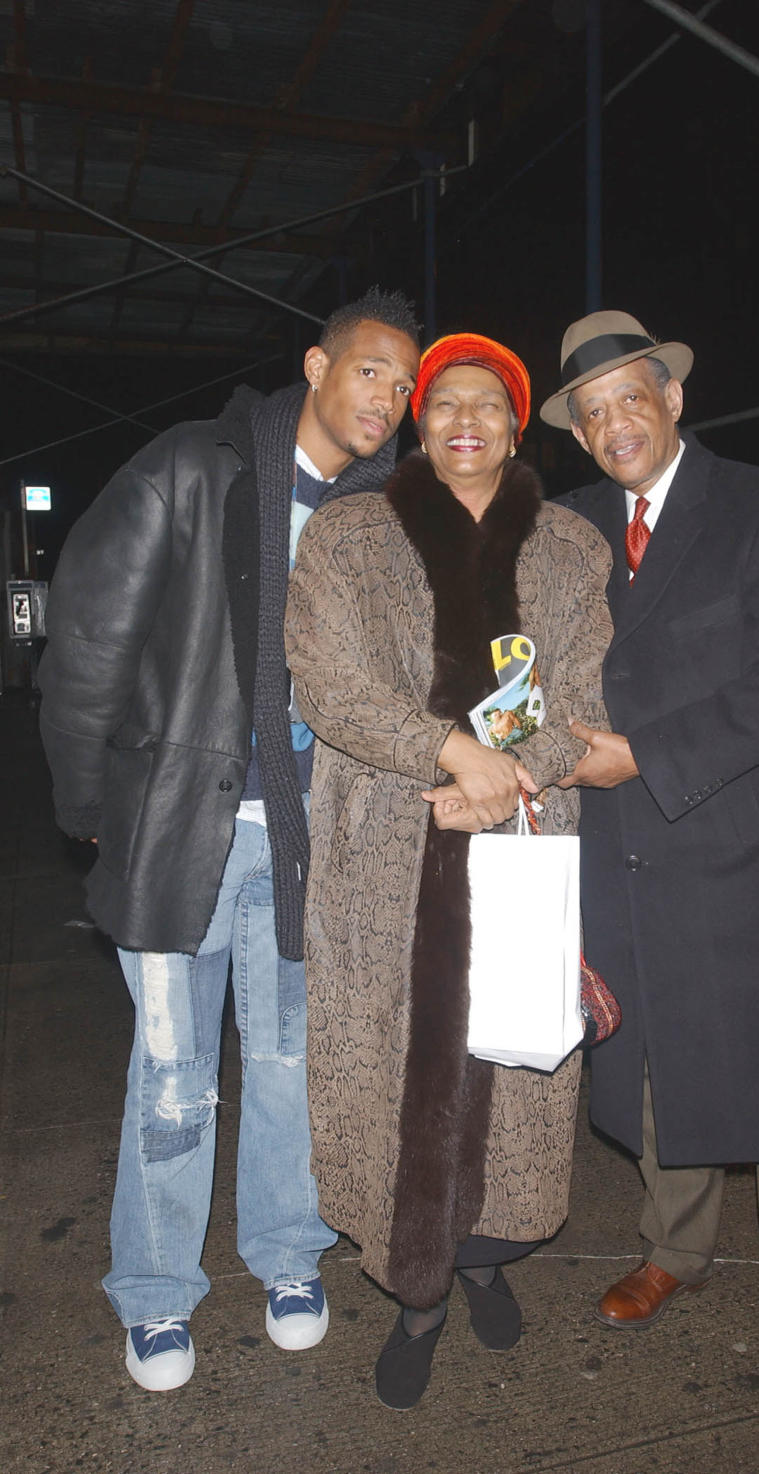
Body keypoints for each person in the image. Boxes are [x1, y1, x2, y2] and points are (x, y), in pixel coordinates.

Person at [38, 287, 421, 1392]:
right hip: (176, 831)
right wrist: (87, 808)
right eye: (372, 372)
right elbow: (90, 640)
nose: (388, 401)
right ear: (316, 365)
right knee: (172, 1074)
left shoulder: (375, 514)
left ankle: (287, 1254)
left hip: (305, 844)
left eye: (402, 386)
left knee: (291, 1065)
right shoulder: (192, 470)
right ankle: (156, 1295)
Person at [541, 310, 759, 1457]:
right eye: (590, 414)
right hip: (626, 860)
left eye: (629, 397)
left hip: (750, 859)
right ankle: (673, 1252)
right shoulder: (574, 528)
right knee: (653, 1077)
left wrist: (647, 753)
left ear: (675, 398)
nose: (612, 424)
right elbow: (523, 654)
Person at [285, 332, 613, 1410]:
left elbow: (583, 708)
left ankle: (477, 1259)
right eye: (443, 401)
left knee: (511, 1068)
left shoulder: (569, 549)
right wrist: (453, 752)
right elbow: (325, 683)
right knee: (392, 1070)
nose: (464, 416)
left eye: (489, 402)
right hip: (385, 844)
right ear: (421, 426)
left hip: (517, 844)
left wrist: (512, 774)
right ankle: (415, 1290)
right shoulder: (349, 533)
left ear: (517, 428)